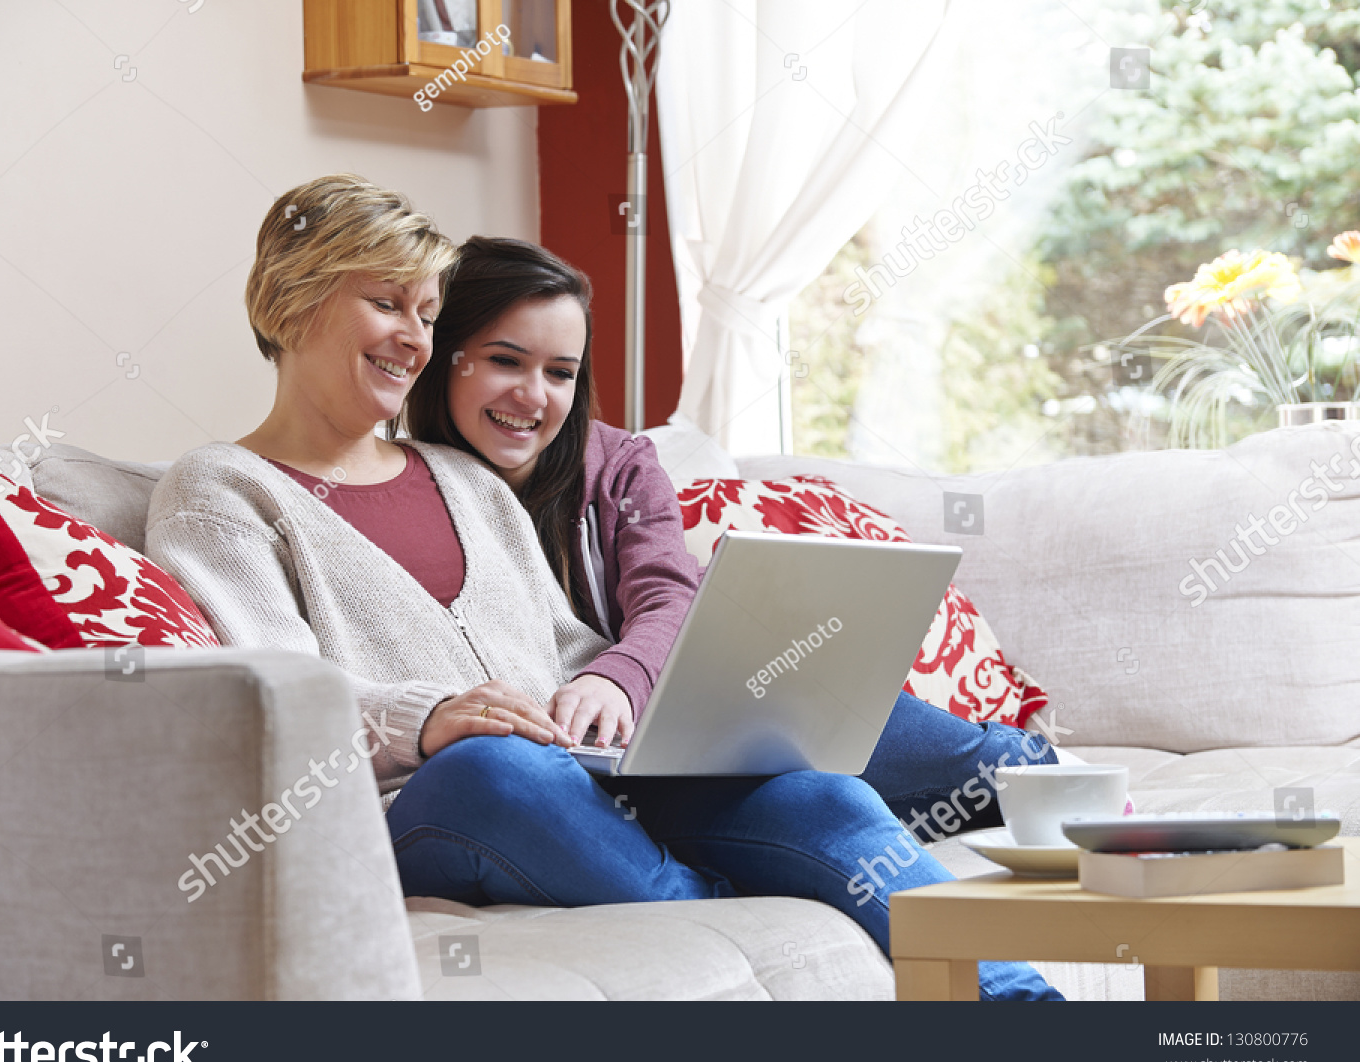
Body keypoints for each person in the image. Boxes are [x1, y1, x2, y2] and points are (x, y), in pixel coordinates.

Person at [147, 178, 1061, 999]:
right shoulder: (222, 489)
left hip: (584, 772)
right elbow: (274, 694)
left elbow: (564, 641)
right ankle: (705, 892)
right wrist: (433, 717)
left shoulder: (462, 478)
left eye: (426, 312)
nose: (414, 338)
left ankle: (1024, 1006)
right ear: (293, 300)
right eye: (387, 304)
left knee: (815, 791)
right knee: (493, 767)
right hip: (428, 794)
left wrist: (641, 708)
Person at [403, 236, 1061, 837]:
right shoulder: (402, 489)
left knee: (846, 717)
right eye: (504, 360)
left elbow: (666, 596)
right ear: (442, 357)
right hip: (587, 768)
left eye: (560, 372)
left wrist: (618, 679)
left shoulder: (620, 466)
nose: (533, 395)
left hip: (676, 713)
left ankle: (1044, 771)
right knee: (838, 792)